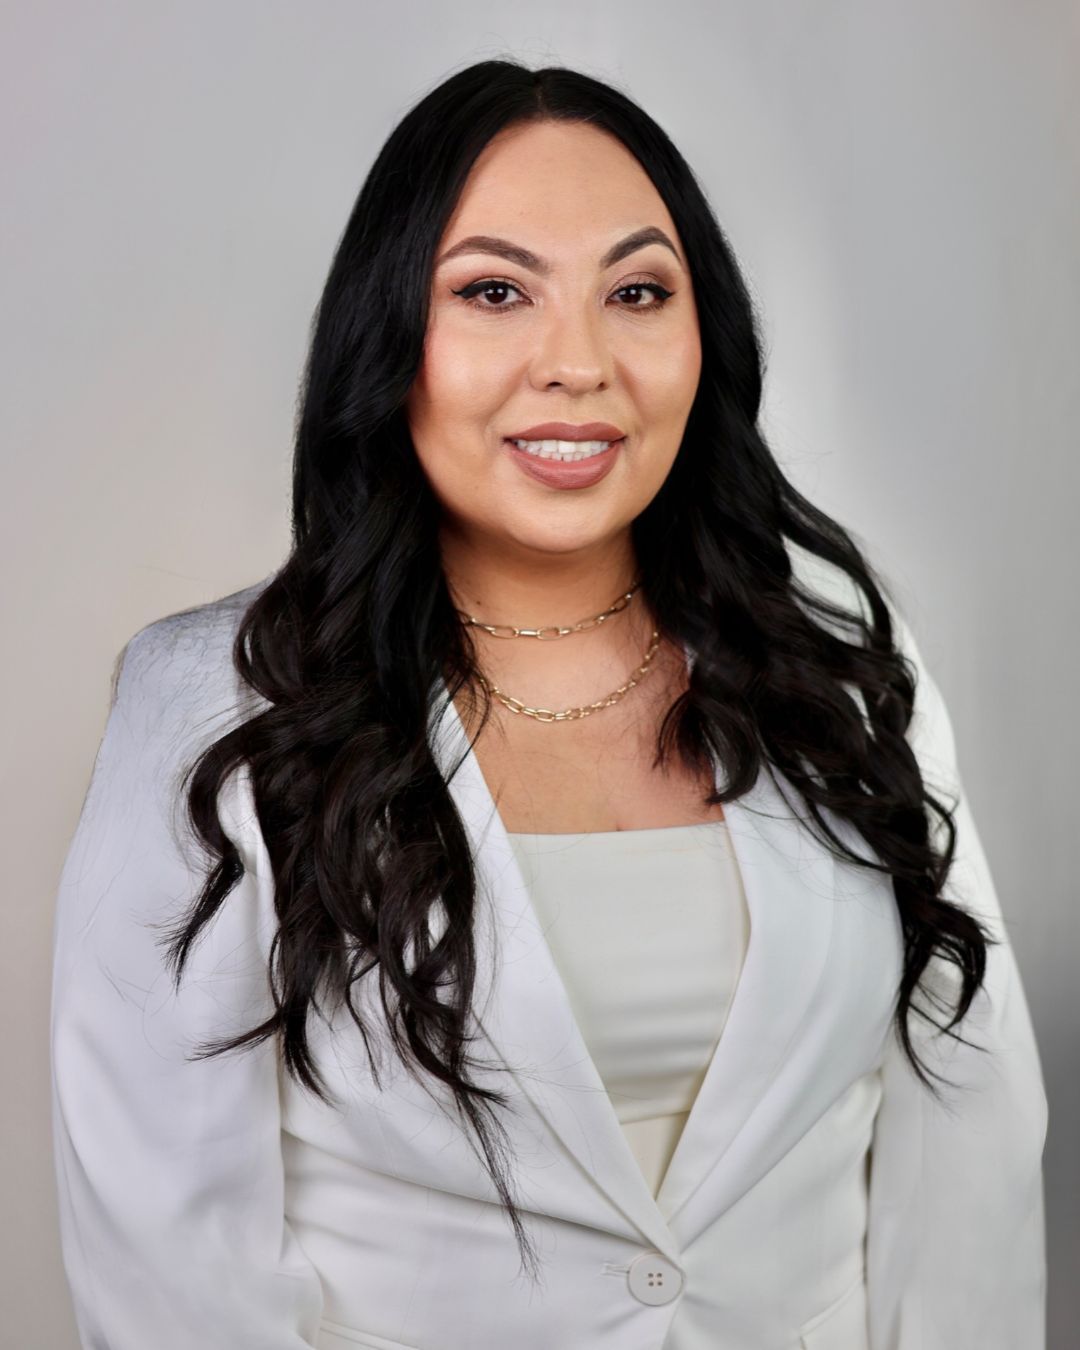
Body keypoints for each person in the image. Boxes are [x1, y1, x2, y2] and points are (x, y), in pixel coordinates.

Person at [50, 59, 1047, 1350]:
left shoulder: (842, 671)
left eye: (637, 292)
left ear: (707, 334)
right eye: (494, 292)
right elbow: (169, 1264)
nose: (575, 362)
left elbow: (966, 1156)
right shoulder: (214, 707)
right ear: (389, 331)